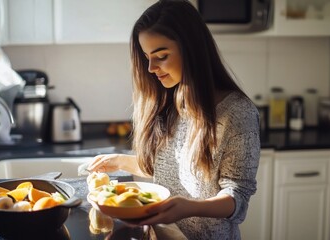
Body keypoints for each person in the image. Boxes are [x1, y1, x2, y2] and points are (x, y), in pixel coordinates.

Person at [87, 0, 260, 239]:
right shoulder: (171, 102)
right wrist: (119, 161)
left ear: (191, 49)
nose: (150, 67)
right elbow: (167, 168)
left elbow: (237, 197)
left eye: (161, 55)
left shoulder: (237, 113)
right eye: (147, 56)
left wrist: (188, 207)